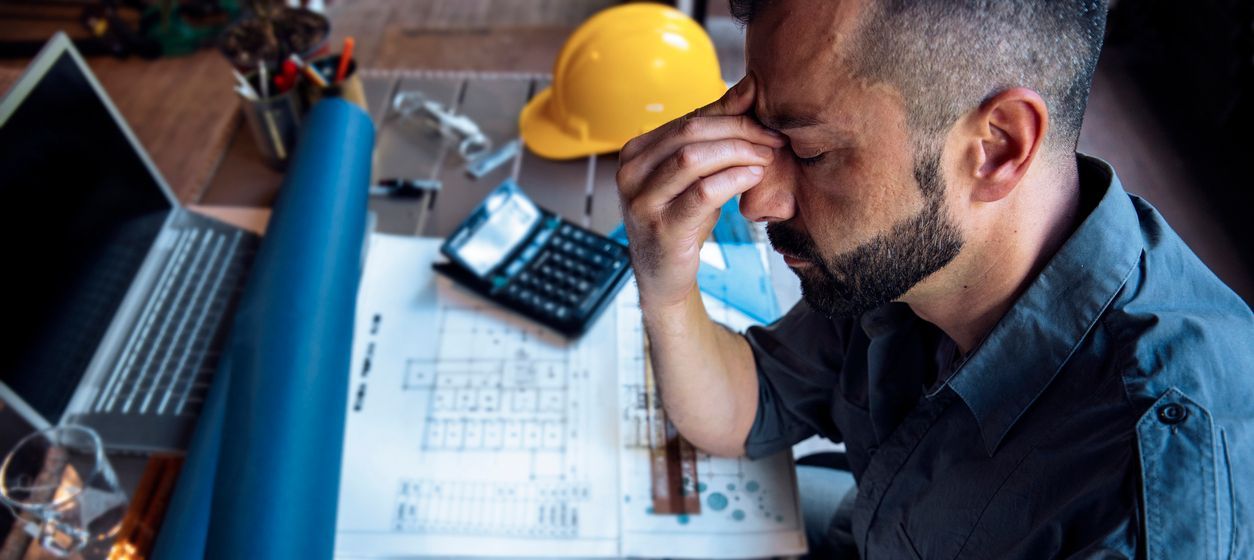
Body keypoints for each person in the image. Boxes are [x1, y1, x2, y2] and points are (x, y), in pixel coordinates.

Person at [615, 0, 1254, 557]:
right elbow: (751, 405)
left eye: (810, 153)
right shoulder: (904, 258)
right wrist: (667, 285)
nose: (758, 203)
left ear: (997, 147)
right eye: (762, 138)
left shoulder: (1152, 500)